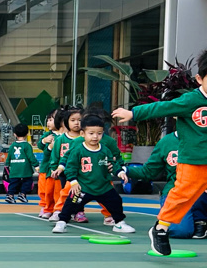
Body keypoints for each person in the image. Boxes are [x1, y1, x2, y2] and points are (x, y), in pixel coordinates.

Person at [112, 49, 207, 255]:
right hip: (193, 160)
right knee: (182, 195)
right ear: (200, 79)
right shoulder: (191, 100)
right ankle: (161, 229)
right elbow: (162, 108)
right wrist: (133, 113)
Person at [52, 115, 135, 234]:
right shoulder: (78, 150)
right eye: (91, 133)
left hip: (103, 187)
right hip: (83, 187)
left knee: (116, 201)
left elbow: (112, 163)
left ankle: (119, 223)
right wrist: (73, 182)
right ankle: (62, 222)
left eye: (99, 133)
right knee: (70, 204)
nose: (95, 137)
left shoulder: (105, 150)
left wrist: (120, 172)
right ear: (82, 134)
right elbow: (70, 168)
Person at [48, 106, 84, 221]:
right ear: (66, 122)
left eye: (79, 120)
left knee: (79, 192)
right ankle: (62, 211)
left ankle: (79, 212)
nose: (76, 123)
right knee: (65, 192)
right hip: (63, 171)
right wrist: (54, 168)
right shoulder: (61, 139)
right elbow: (55, 156)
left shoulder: (85, 139)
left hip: (80, 171)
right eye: (73, 120)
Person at [5, 122, 38, 204]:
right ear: (27, 134)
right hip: (25, 169)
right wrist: (36, 165)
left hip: (14, 168)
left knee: (13, 182)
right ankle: (22, 194)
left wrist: (7, 164)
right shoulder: (27, 145)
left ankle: (10, 195)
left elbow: (9, 156)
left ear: (14, 134)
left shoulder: (12, 145)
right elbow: (31, 157)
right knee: (28, 181)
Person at [36, 112, 59, 218]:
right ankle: (45, 205)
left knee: (56, 190)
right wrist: (44, 141)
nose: (48, 122)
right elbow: (40, 145)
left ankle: (56, 208)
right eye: (48, 120)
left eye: (51, 120)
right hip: (45, 167)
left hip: (56, 168)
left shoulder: (63, 135)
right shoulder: (47, 134)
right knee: (44, 189)